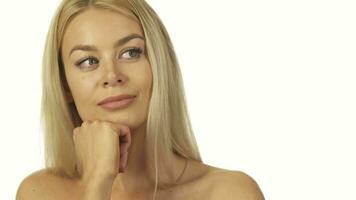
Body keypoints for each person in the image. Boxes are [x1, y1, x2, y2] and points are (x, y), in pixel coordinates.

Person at [16, 0, 264, 199]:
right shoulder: (40, 192)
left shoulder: (230, 193)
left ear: (158, 65)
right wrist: (97, 182)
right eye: (88, 61)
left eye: (130, 53)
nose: (112, 76)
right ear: (64, 85)